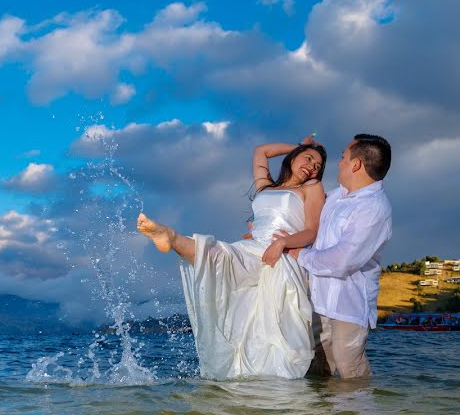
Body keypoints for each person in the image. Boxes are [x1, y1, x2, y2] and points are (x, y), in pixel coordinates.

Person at [136, 135, 326, 379]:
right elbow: (261, 151)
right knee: (222, 258)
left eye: (318, 166)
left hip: (280, 254)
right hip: (253, 246)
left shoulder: (310, 188)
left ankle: (172, 238)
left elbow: (312, 231)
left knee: (270, 334)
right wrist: (302, 147)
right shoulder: (265, 187)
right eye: (308, 159)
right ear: (293, 156)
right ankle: (171, 238)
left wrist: (283, 242)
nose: (312, 166)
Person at [281, 134, 392, 379]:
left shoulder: (373, 208)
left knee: (350, 373)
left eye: (343, 157)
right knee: (315, 371)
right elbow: (303, 209)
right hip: (319, 302)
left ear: (356, 165)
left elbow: (342, 260)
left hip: (347, 307)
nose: (339, 163)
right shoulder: (337, 197)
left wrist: (300, 254)